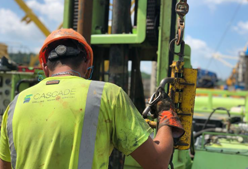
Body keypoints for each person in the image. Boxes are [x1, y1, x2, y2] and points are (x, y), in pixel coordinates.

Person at [0, 28, 184, 169]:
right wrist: (166, 115)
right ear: (87, 63)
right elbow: (157, 162)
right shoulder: (108, 95)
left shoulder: (14, 106)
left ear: (44, 66)